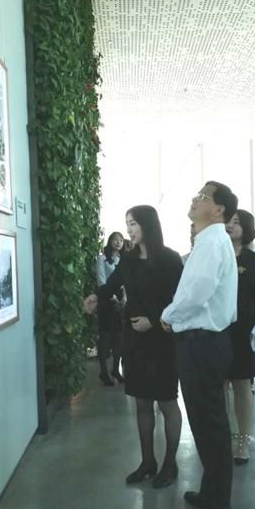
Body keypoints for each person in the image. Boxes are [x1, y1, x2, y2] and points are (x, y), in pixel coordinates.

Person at [85, 206, 184, 489]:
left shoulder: (170, 259)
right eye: (127, 224)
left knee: (166, 402)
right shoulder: (128, 259)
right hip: (135, 339)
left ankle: (170, 464)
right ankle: (147, 462)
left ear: (148, 225)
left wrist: (153, 320)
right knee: (141, 402)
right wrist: (95, 297)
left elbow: (181, 298)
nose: (128, 230)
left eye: (133, 224)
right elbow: (111, 285)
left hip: (162, 338)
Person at [160, 181, 238, 509]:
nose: (195, 199)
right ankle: (212, 493)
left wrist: (168, 315)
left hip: (203, 343)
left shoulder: (212, 242)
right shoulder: (209, 240)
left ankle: (215, 505)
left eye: (203, 196)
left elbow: (197, 292)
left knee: (210, 426)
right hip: (202, 342)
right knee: (208, 424)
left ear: (218, 209)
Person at [224, 209, 255, 465]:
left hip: (244, 330)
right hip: (217, 329)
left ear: (247, 228)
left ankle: (243, 440)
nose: (231, 225)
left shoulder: (254, 260)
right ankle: (221, 437)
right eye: (229, 221)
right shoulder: (216, 254)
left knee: (242, 385)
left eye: (237, 222)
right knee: (219, 385)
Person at [95, 232, 125, 386]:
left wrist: (124, 298)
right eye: (115, 239)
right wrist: (112, 297)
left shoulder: (123, 260)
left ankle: (115, 370)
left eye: (121, 240)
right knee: (106, 337)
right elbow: (101, 281)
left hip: (120, 301)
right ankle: (104, 372)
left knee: (119, 337)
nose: (118, 242)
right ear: (109, 241)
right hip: (106, 299)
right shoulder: (102, 258)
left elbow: (125, 282)